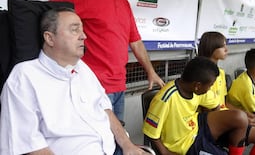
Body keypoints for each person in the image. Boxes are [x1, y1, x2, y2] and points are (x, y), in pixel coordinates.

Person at [0, 8, 148, 155]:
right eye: (74, 30)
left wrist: (128, 146)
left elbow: (105, 110)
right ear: (50, 38)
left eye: (82, 30)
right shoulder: (24, 76)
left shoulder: (83, 69)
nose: (83, 36)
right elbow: (30, 145)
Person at [51, 0, 165, 122]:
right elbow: (49, 15)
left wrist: (150, 71)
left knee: (118, 142)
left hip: (120, 86)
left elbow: (136, 42)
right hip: (92, 88)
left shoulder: (124, 3)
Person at [143, 57, 249, 155]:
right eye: (210, 85)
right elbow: (151, 133)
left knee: (240, 117)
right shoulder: (165, 99)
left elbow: (215, 105)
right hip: (184, 144)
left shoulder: (195, 89)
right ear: (197, 85)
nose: (210, 89)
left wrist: (217, 130)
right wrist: (166, 153)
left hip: (196, 125)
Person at [198, 31, 255, 154]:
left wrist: (245, 114)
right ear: (211, 47)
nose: (227, 49)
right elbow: (207, 109)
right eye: (223, 46)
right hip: (207, 123)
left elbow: (224, 103)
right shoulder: (201, 73)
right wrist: (238, 119)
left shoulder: (221, 72)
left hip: (224, 116)